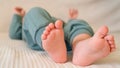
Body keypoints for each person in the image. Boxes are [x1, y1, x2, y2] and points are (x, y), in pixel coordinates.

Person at [9, 6, 116, 66]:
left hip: (62, 36)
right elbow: (14, 33)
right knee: (34, 12)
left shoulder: (57, 24)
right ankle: (49, 39)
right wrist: (18, 16)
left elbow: (67, 26)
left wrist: (72, 19)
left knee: (77, 23)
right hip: (43, 39)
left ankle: (81, 46)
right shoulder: (26, 28)